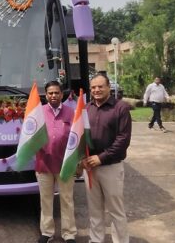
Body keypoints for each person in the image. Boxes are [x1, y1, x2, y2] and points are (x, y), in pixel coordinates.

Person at [83, 73, 131, 243]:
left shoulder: (121, 108)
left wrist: (101, 158)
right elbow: (80, 136)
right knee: (94, 209)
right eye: (93, 87)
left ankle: (121, 240)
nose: (96, 90)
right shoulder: (86, 108)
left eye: (100, 86)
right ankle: (96, 239)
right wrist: (82, 157)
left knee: (115, 210)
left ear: (108, 87)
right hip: (89, 166)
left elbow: (123, 140)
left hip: (110, 166)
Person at [36, 81, 76, 243]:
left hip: (65, 164)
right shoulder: (38, 113)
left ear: (62, 94)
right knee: (45, 199)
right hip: (44, 164)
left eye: (56, 93)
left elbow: (77, 137)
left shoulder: (71, 112)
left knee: (67, 199)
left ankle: (69, 234)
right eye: (50, 93)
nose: (53, 95)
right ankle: (47, 232)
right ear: (46, 95)